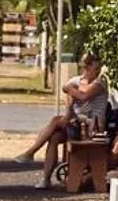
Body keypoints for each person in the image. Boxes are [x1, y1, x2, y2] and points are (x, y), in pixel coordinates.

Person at [17, 54, 109, 188]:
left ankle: (31, 152)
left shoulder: (100, 83)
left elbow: (83, 96)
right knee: (54, 137)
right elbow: (68, 98)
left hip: (92, 126)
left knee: (55, 120)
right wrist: (70, 102)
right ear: (86, 68)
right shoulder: (76, 81)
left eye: (99, 69)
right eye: (95, 69)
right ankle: (46, 179)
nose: (98, 72)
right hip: (76, 123)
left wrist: (69, 89)